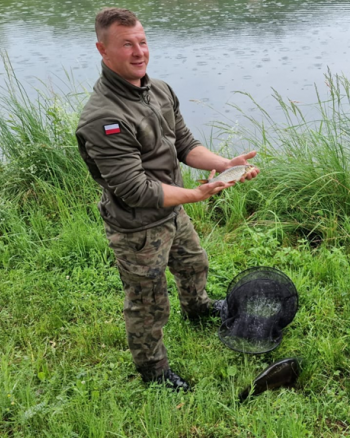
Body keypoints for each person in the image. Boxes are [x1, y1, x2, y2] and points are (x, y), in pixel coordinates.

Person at [75, 7, 259, 392]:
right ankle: (155, 373)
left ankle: (199, 309)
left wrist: (225, 163)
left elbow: (186, 146)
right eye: (127, 45)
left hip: (172, 209)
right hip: (137, 226)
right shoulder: (103, 118)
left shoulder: (158, 89)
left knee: (193, 262)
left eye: (142, 41)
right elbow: (134, 189)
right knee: (148, 302)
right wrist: (195, 194)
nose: (139, 52)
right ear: (102, 50)